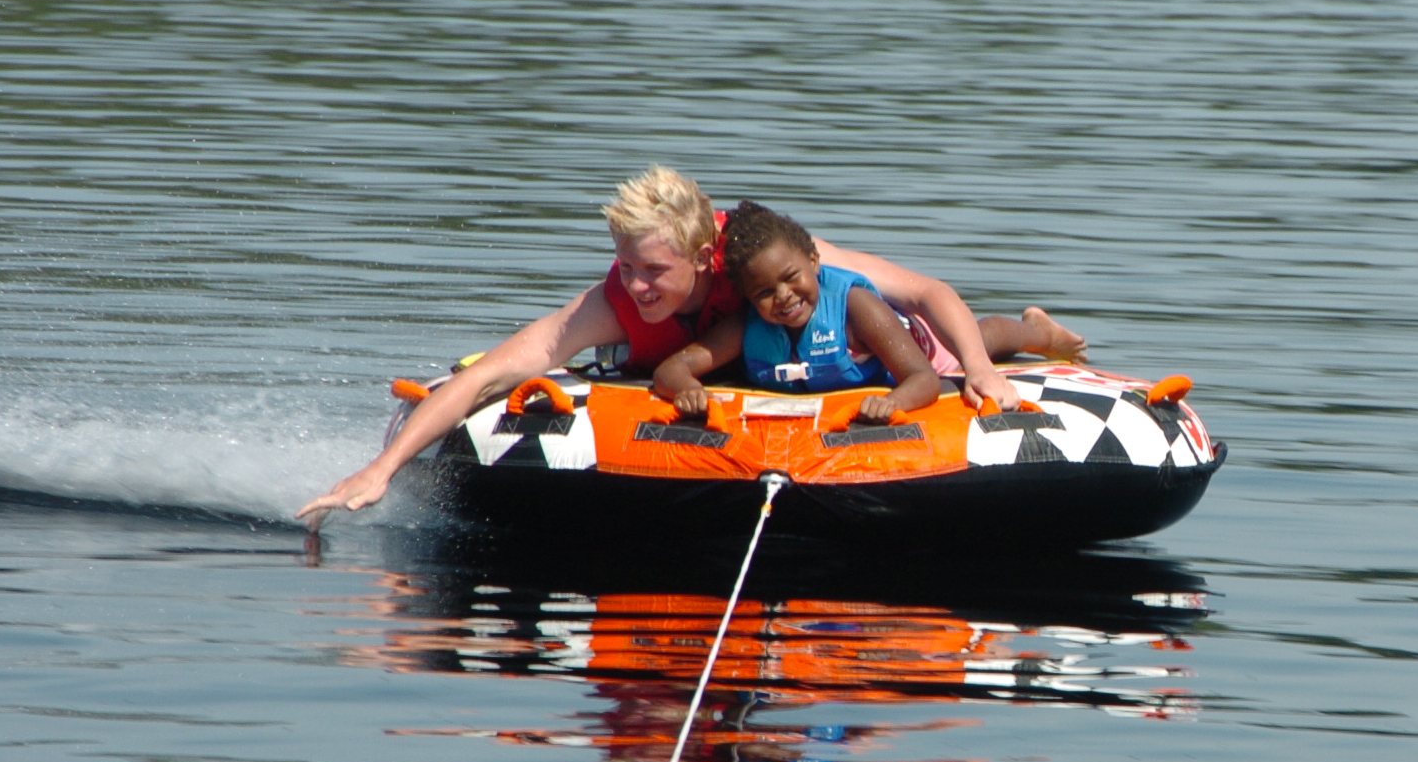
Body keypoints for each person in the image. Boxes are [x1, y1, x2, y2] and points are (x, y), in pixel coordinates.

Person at [296, 168, 1083, 523]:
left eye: (653, 271)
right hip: (755, 386)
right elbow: (492, 374)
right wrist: (380, 470)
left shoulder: (766, 265)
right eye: (625, 265)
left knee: (967, 338)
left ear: (706, 258)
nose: (635, 286)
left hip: (870, 356)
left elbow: (927, 292)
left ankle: (1036, 328)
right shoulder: (613, 303)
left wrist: (983, 373)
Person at [652, 201, 1085, 424]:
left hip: (920, 345)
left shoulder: (855, 307)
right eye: (764, 292)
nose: (783, 296)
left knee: (982, 337)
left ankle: (1040, 332)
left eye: (791, 278)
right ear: (748, 297)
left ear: (813, 262)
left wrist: (891, 402)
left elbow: (923, 379)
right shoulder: (748, 325)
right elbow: (672, 369)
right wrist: (688, 389)